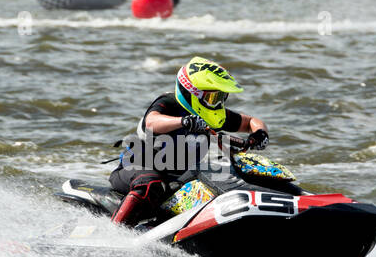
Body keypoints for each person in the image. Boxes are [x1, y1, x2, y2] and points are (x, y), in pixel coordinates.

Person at [108, 57, 269, 228]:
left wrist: (260, 134)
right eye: (214, 97)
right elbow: (151, 122)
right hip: (133, 169)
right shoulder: (169, 103)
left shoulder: (212, 115)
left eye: (222, 97)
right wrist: (184, 122)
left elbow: (251, 121)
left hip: (174, 177)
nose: (219, 103)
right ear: (193, 92)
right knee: (151, 184)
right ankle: (114, 234)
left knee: (219, 182)